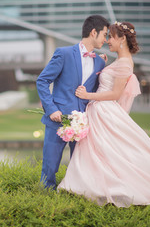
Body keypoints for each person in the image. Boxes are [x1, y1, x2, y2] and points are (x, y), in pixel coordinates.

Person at [57, 21, 150, 207]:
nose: (108, 41)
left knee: (109, 153)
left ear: (122, 39)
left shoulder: (124, 63)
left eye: (111, 37)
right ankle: (89, 185)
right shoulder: (121, 61)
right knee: (100, 153)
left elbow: (115, 94)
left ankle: (98, 187)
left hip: (104, 110)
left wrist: (87, 95)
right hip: (100, 110)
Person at [36, 15, 110, 190]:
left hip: (84, 123)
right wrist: (51, 109)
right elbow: (42, 81)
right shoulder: (64, 53)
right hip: (58, 120)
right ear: (93, 32)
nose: (106, 40)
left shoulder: (100, 62)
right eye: (104, 34)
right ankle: (44, 203)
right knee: (50, 168)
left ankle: (76, 199)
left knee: (81, 169)